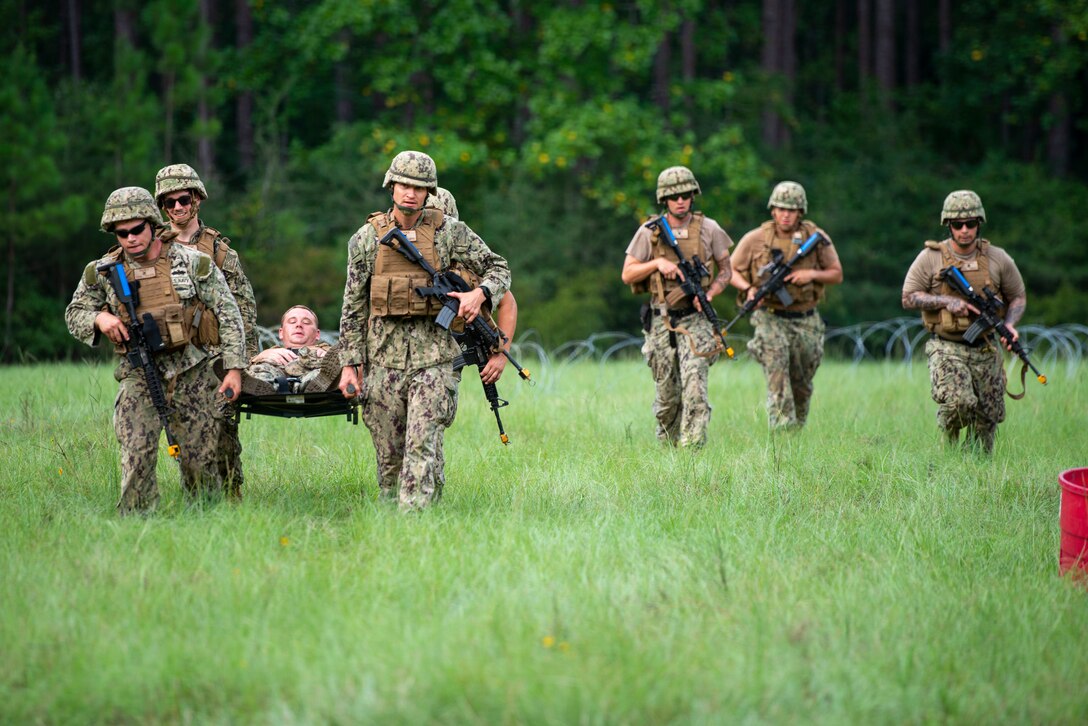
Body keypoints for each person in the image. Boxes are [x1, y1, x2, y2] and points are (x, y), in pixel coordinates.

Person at [337, 151, 511, 510]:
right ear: (391, 186)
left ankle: (414, 524)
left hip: (433, 360)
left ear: (429, 192)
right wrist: (349, 364)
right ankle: (390, 523)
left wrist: (479, 294)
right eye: (404, 185)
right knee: (390, 457)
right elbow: (352, 306)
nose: (410, 193)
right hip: (382, 360)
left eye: (419, 187)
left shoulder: (449, 232)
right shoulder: (366, 239)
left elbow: (499, 268)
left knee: (421, 446)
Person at [65, 187, 244, 514]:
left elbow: (229, 313)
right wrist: (99, 318)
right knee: (136, 450)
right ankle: (137, 523)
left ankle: (206, 520)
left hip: (191, 373)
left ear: (152, 223)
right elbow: (75, 312)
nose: (130, 239)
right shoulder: (103, 271)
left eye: (137, 230)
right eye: (122, 233)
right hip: (138, 374)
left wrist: (233, 369)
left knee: (199, 460)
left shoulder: (192, 263)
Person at [155, 164, 257, 499]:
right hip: (172, 358)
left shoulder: (220, 252)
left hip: (214, 359)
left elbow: (243, 308)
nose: (177, 208)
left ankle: (230, 496)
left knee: (223, 434)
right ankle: (197, 499)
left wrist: (243, 362)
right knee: (183, 434)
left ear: (197, 199)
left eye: (183, 199)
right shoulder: (152, 250)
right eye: (168, 203)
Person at [901, 190, 1028, 454]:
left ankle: (976, 472)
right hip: (947, 346)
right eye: (958, 225)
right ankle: (948, 443)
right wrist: (946, 302)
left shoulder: (997, 258)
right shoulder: (931, 257)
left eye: (971, 224)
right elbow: (908, 297)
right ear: (948, 225)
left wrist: (1011, 323)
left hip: (985, 347)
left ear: (979, 223)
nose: (965, 230)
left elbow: (1017, 297)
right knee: (959, 402)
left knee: (987, 420)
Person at [621, 165, 734, 448]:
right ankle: (668, 450)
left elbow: (726, 271)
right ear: (664, 200)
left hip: (696, 320)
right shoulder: (650, 232)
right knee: (668, 396)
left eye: (685, 194)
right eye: (674, 196)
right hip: (661, 320)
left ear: (693, 195)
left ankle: (693, 451)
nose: (680, 200)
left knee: (695, 386)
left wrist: (711, 293)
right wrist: (657, 263)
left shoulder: (710, 229)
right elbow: (628, 274)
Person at [730, 181, 843, 431]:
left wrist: (811, 275)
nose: (785, 215)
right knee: (777, 368)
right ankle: (782, 431)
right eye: (781, 209)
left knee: (801, 383)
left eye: (791, 210)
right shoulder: (756, 239)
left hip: (805, 317)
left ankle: (796, 429)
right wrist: (749, 289)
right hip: (769, 316)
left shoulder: (817, 238)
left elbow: (836, 274)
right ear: (772, 210)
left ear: (800, 212)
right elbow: (730, 270)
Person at [243, 305, 343, 394]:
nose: (299, 325)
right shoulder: (271, 352)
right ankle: (264, 385)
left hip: (311, 375)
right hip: (278, 377)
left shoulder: (328, 353)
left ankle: (313, 385)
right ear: (281, 333)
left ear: (317, 334)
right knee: (262, 369)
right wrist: (258, 358)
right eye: (292, 322)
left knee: (322, 372)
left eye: (306, 322)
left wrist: (327, 356)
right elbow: (246, 365)